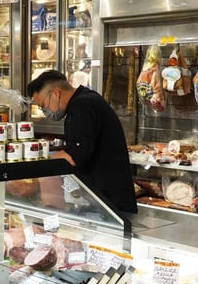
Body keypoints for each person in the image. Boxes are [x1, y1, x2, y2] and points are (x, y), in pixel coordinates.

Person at [27, 70, 137, 216]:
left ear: (55, 93)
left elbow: (74, 157)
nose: (45, 111)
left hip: (110, 203)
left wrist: (36, 167)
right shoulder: (84, 101)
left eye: (43, 105)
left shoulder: (82, 106)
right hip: (101, 200)